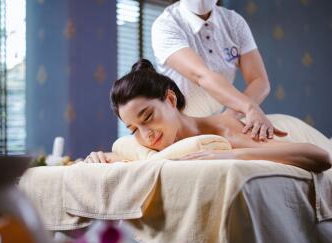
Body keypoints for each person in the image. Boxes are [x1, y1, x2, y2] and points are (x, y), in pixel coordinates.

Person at [84, 59, 331, 173]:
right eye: (133, 129)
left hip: (286, 129)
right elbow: (136, 158)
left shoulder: (225, 132)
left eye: (147, 117)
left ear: (170, 100)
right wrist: (102, 157)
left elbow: (319, 156)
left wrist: (230, 155)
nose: (146, 134)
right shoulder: (160, 142)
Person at [151, 0, 286, 141]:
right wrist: (249, 107)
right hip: (178, 126)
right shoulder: (166, 25)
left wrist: (228, 118)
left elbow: (259, 80)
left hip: (217, 122)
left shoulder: (234, 22)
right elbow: (200, 75)